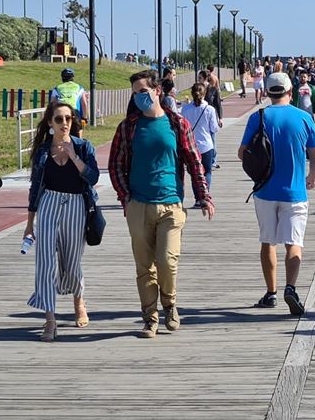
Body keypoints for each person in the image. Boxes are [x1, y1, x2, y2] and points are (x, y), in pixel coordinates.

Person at [108, 70, 215, 339]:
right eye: (135, 93)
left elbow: (193, 161)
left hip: (171, 204)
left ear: (157, 91)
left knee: (167, 261)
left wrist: (203, 195)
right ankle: (150, 318)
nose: (139, 97)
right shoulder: (128, 127)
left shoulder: (177, 124)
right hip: (139, 205)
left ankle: (170, 303)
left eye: (143, 91)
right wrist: (125, 197)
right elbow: (115, 164)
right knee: (144, 267)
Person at [238, 72, 315, 316]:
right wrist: (311, 179)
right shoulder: (304, 118)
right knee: (294, 243)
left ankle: (271, 293)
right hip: (295, 192)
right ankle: (291, 288)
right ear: (290, 91)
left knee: (268, 242)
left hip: (265, 190)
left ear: (267, 92)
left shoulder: (259, 117)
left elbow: (242, 152)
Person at [24, 101, 100, 342]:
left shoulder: (84, 146)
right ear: (50, 123)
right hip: (49, 203)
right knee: (45, 262)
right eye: (59, 119)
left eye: (68, 118)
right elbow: (35, 187)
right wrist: (29, 223)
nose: (64, 123)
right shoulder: (43, 151)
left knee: (72, 261)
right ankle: (50, 319)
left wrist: (74, 157)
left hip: (76, 204)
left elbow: (93, 176)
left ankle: (79, 300)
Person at [181, 83, 220, 193]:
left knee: (195, 173)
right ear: (204, 93)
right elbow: (214, 128)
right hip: (206, 145)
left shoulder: (185, 109)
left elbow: (183, 127)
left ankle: (198, 198)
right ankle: (205, 194)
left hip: (191, 145)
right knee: (207, 172)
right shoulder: (210, 109)